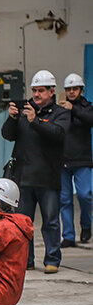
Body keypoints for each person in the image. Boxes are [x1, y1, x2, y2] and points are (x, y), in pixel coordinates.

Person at [2, 69, 70, 273]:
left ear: (51, 92)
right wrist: (13, 119)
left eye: (41, 90)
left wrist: (36, 122)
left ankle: (52, 259)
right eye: (34, 90)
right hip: (23, 178)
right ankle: (26, 260)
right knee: (23, 224)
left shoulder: (61, 114)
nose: (37, 94)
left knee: (50, 221)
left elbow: (58, 134)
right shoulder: (25, 113)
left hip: (48, 178)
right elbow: (7, 135)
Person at [59, 73, 93, 247]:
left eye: (75, 89)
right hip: (62, 161)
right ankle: (69, 236)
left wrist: (74, 109)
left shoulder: (87, 107)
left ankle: (86, 226)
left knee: (85, 195)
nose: (71, 92)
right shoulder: (60, 108)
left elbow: (90, 119)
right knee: (64, 199)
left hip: (82, 160)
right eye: (68, 89)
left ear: (81, 90)